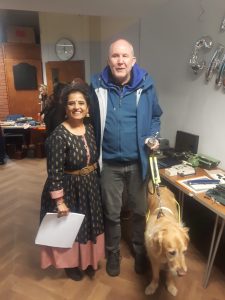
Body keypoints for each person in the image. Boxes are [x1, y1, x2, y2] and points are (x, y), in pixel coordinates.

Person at [90, 39, 163, 277]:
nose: (119, 61)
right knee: (110, 213)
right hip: (109, 164)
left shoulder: (147, 85)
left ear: (133, 61)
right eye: (114, 56)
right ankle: (113, 254)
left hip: (137, 163)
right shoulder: (96, 85)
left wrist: (153, 136)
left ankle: (140, 252)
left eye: (124, 56)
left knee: (140, 212)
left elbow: (155, 117)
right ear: (108, 60)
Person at [40, 83, 105, 281]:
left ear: (87, 108)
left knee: (89, 225)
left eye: (81, 103)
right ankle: (71, 264)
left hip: (90, 186)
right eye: (71, 103)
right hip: (68, 189)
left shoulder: (91, 128)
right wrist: (59, 201)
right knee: (71, 228)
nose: (77, 107)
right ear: (66, 108)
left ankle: (87, 261)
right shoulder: (58, 136)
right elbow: (54, 172)